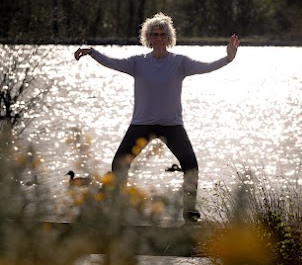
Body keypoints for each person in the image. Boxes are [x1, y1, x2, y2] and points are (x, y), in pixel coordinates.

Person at [74, 12, 240, 222]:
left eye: (163, 34)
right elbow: (111, 62)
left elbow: (206, 67)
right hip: (142, 124)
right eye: (155, 34)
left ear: (168, 38)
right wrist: (91, 51)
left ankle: (189, 213)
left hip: (171, 125)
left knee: (191, 166)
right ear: (149, 38)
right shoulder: (137, 63)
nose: (159, 38)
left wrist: (229, 58)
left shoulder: (180, 63)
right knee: (119, 163)